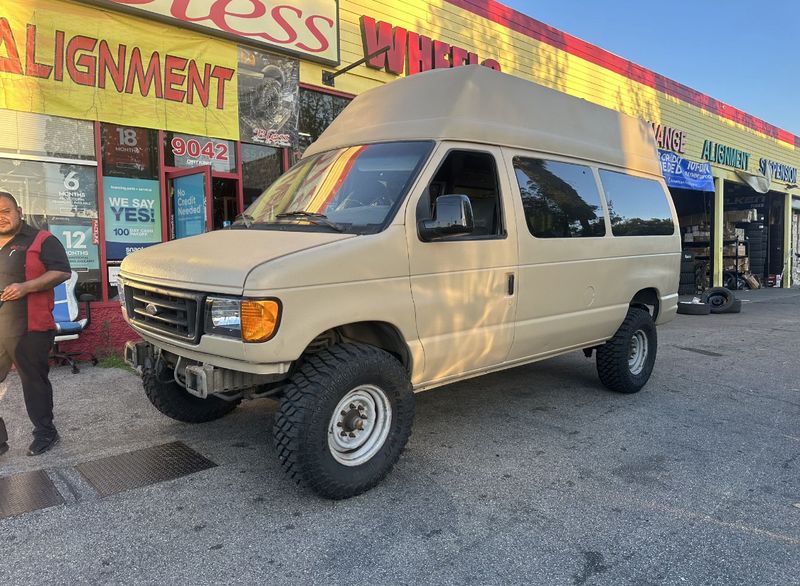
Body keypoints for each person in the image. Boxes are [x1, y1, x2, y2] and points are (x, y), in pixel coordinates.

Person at [0, 189, 71, 456]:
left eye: (6, 211)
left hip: (31, 327)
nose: (1, 218)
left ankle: (46, 433)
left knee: (34, 383)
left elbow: (62, 271)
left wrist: (27, 287)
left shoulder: (42, 239)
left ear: (19, 211)